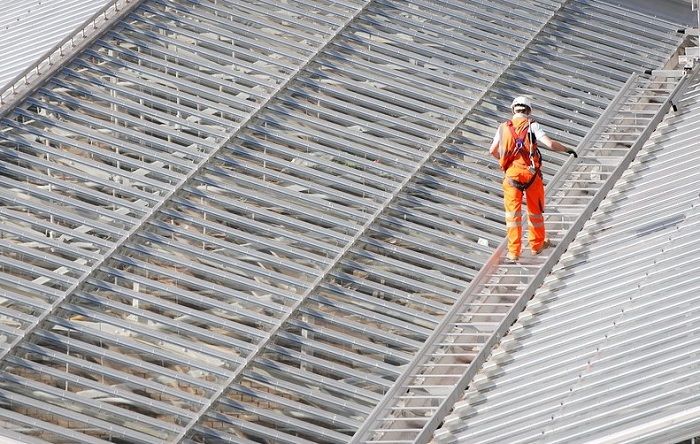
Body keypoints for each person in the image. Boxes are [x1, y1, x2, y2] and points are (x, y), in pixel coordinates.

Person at [489, 96, 578, 262]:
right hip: (531, 174)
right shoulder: (532, 125)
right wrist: (567, 149)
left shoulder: (502, 128)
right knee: (535, 212)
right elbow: (550, 144)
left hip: (512, 176)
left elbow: (492, 151)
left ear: (513, 110)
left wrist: (507, 164)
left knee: (512, 215)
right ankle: (537, 245)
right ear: (528, 111)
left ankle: (514, 252)